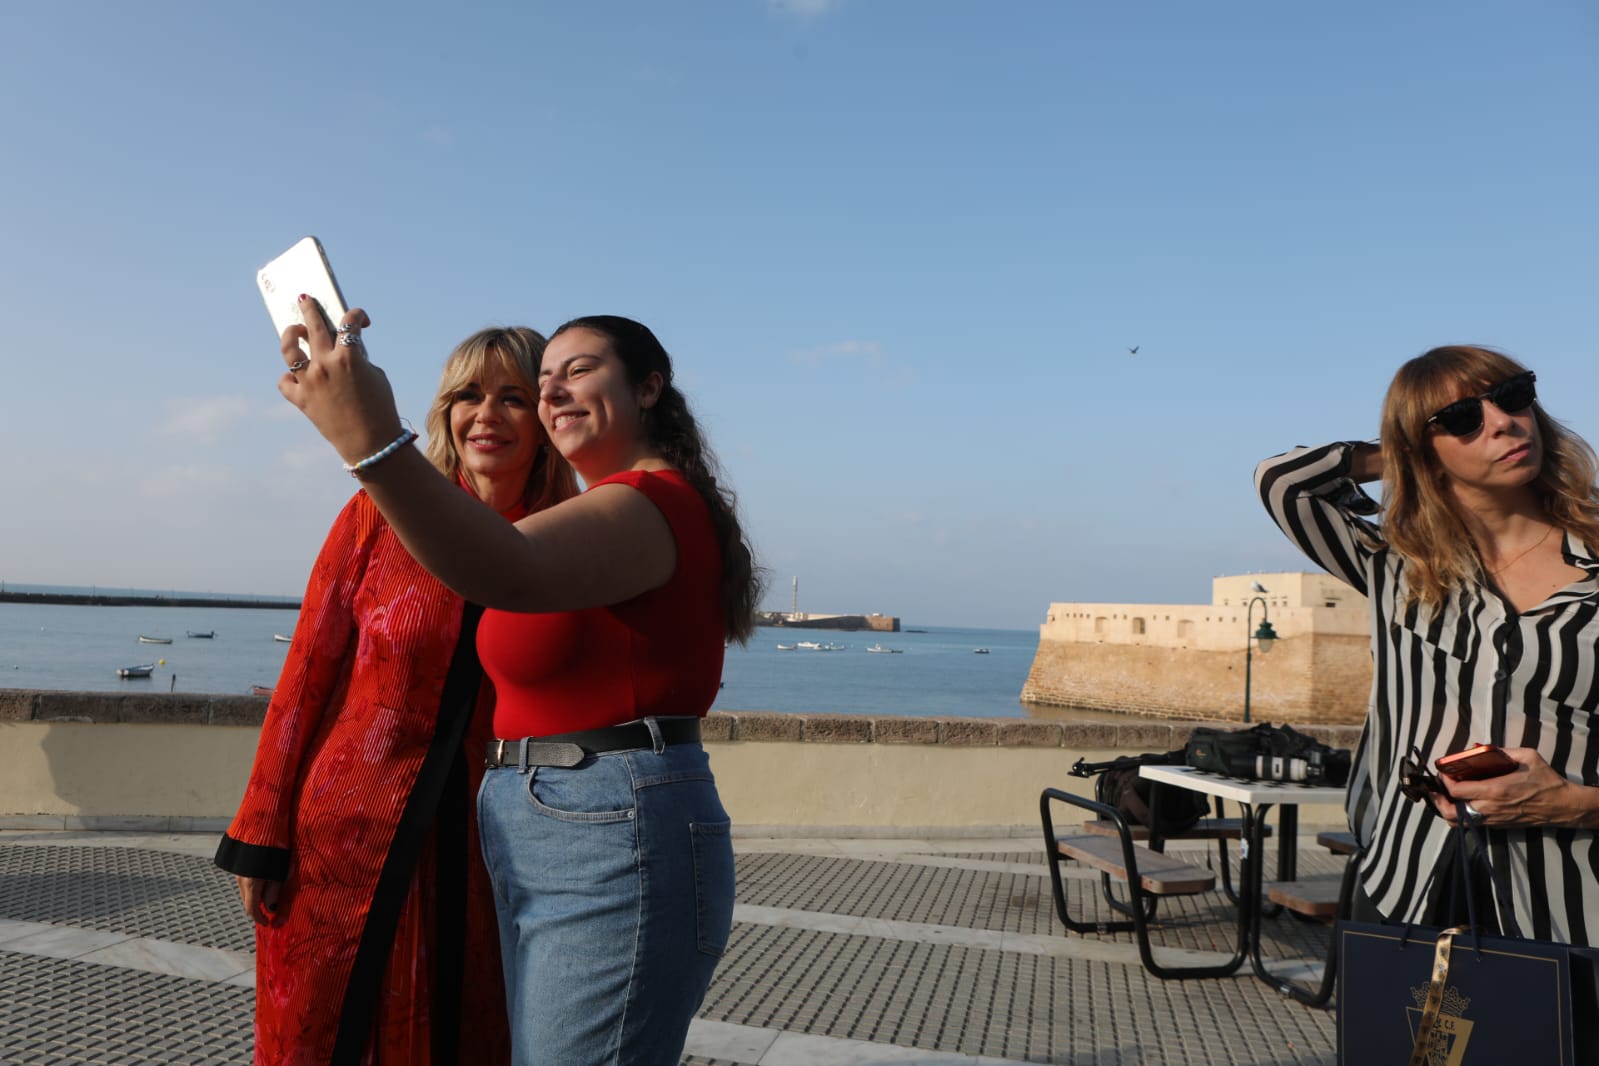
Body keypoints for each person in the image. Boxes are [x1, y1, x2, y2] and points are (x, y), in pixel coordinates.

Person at [276, 303, 759, 1064]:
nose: (556, 392)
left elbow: (495, 562)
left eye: (580, 371)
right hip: (552, 820)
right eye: (547, 381)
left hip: (610, 821)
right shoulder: (609, 507)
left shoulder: (647, 503)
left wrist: (368, 437)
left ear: (648, 389)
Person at [216, 326, 578, 1063]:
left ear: (546, 419)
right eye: (469, 395)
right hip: (344, 835)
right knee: (321, 1032)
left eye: (513, 398)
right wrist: (261, 835)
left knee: (469, 1033)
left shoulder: (569, 538)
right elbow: (307, 675)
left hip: (492, 850)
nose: (488, 414)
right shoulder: (374, 515)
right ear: (444, 410)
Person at [1257, 344, 1599, 945]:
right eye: (1465, 419)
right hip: (1406, 883)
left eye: (1513, 396)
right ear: (1425, 451)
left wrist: (1573, 803)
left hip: (1573, 905)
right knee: (1396, 1044)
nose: (1502, 422)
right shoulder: (1398, 568)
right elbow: (1283, 480)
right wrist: (1402, 454)